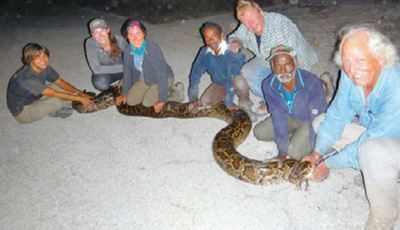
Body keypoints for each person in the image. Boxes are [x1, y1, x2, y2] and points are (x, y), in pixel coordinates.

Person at [304, 24, 400, 229]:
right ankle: (338, 160)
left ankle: (385, 218)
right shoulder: (349, 74)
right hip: (375, 133)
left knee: (372, 151)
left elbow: (374, 138)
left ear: (381, 58)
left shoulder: (396, 84)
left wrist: (329, 164)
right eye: (346, 61)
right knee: (320, 123)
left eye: (359, 60)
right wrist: (317, 153)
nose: (352, 69)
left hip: (391, 141)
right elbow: (337, 115)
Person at [228, 0, 321, 116]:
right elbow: (236, 35)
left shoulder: (278, 26)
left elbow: (286, 65)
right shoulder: (247, 25)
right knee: (247, 71)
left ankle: (282, 100)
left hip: (295, 64)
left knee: (289, 87)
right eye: (245, 22)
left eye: (251, 19)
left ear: (260, 11)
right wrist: (235, 42)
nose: (249, 25)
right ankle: (275, 99)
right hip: (268, 60)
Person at [253, 45, 327, 160]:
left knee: (294, 153)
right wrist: (282, 151)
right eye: (278, 65)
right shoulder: (268, 84)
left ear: (295, 62)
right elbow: (278, 116)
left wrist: (313, 146)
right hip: (289, 117)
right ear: (272, 66)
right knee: (259, 132)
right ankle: (295, 135)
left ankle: (298, 137)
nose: (283, 70)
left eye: (287, 64)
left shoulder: (311, 81)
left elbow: (316, 118)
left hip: (310, 120)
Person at [6, 43, 94, 124]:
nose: (43, 60)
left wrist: (80, 93)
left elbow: (60, 82)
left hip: (33, 96)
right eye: (38, 58)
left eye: (44, 56)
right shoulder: (26, 78)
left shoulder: (44, 67)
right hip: (23, 112)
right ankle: (57, 110)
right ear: (30, 60)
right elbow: (54, 94)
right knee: (57, 101)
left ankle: (75, 101)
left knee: (58, 88)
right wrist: (81, 99)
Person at [115, 19, 183, 113]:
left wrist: (162, 99)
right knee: (131, 101)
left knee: (147, 103)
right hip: (144, 79)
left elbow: (161, 74)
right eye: (131, 34)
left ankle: (175, 92)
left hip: (161, 79)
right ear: (127, 37)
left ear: (144, 33)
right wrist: (124, 93)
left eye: (138, 33)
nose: (135, 38)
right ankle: (150, 91)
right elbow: (127, 72)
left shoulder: (152, 48)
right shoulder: (127, 50)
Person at [188, 22, 252, 113]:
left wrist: (228, 102)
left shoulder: (231, 51)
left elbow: (232, 76)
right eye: (207, 37)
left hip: (235, 79)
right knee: (204, 103)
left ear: (221, 35)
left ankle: (245, 102)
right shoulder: (204, 52)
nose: (211, 40)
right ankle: (227, 100)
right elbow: (195, 74)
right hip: (220, 82)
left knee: (240, 83)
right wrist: (193, 98)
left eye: (214, 36)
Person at [84, 18, 127, 91]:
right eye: (96, 32)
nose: (100, 34)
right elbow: (96, 69)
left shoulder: (119, 40)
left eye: (102, 30)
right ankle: (116, 90)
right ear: (92, 34)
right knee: (100, 83)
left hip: (124, 71)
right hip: (107, 73)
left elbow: (131, 57)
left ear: (108, 30)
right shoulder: (90, 43)